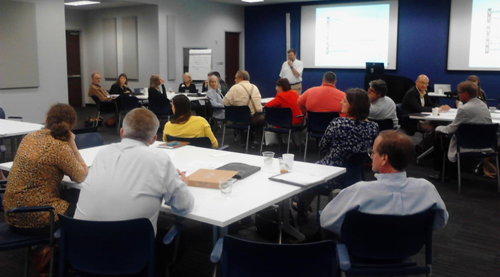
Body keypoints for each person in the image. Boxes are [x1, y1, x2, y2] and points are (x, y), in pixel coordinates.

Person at [75, 108, 195, 235]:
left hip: (80, 244)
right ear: (154, 139)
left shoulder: (103, 153)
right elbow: (184, 207)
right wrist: (182, 184)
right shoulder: (159, 159)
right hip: (129, 249)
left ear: (121, 132)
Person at [320, 130, 449, 236]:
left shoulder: (359, 191)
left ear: (384, 159)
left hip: (362, 253)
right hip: (406, 250)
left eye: (373, 153)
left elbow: (326, 221)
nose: (371, 156)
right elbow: (440, 221)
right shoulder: (426, 189)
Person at [296, 88, 379, 225]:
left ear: (354, 106)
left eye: (345, 101)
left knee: (306, 177)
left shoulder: (337, 123)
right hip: (355, 177)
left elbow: (322, 147)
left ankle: (301, 214)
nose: (341, 102)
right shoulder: (373, 127)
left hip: (331, 176)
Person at [3, 104, 88, 234]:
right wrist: (73, 144)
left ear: (46, 119)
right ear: (70, 127)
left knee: (71, 194)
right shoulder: (59, 146)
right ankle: (63, 248)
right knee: (86, 203)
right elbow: (81, 176)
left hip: (11, 212)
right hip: (36, 217)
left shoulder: (29, 137)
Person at [430, 81, 492, 180]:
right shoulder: (483, 105)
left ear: (465, 94)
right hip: (485, 144)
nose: (458, 95)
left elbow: (450, 129)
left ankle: (443, 173)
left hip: (469, 144)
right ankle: (452, 172)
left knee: (440, 136)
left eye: (459, 93)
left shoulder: (465, 109)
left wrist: (438, 128)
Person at [401, 74, 450, 151]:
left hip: (421, 118)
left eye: (426, 83)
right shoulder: (412, 93)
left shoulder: (423, 91)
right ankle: (422, 147)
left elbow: (429, 104)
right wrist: (438, 109)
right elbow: (419, 108)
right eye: (422, 83)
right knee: (436, 128)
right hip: (411, 121)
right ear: (416, 82)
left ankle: (429, 148)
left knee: (441, 124)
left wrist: (441, 107)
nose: (424, 85)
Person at [223, 70, 265, 144]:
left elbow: (225, 102)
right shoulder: (254, 87)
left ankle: (242, 139)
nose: (234, 80)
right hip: (254, 119)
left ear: (241, 78)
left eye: (236, 78)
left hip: (239, 118)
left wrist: (234, 104)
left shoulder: (235, 88)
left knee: (240, 116)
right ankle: (257, 140)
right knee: (262, 118)